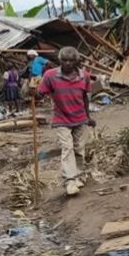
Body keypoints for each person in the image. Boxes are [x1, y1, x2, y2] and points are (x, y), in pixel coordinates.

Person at [34, 47, 96, 196]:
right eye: (64, 60)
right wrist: (33, 92)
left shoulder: (84, 76)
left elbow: (85, 98)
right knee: (67, 148)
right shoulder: (50, 76)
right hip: (61, 118)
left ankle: (79, 175)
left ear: (77, 61)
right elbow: (40, 94)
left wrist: (88, 117)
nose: (67, 63)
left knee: (79, 149)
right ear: (60, 60)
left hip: (80, 117)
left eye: (71, 60)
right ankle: (69, 180)